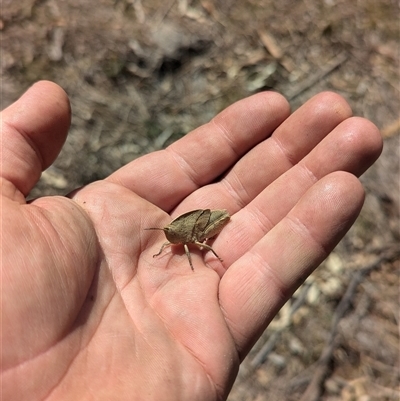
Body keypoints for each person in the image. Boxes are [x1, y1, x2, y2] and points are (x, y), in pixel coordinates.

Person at [1, 81, 382, 400]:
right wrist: (170, 242)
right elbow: (174, 238)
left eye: (170, 238)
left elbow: (192, 233)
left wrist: (189, 244)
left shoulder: (186, 234)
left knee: (204, 237)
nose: (169, 240)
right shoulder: (172, 237)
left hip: (208, 223)